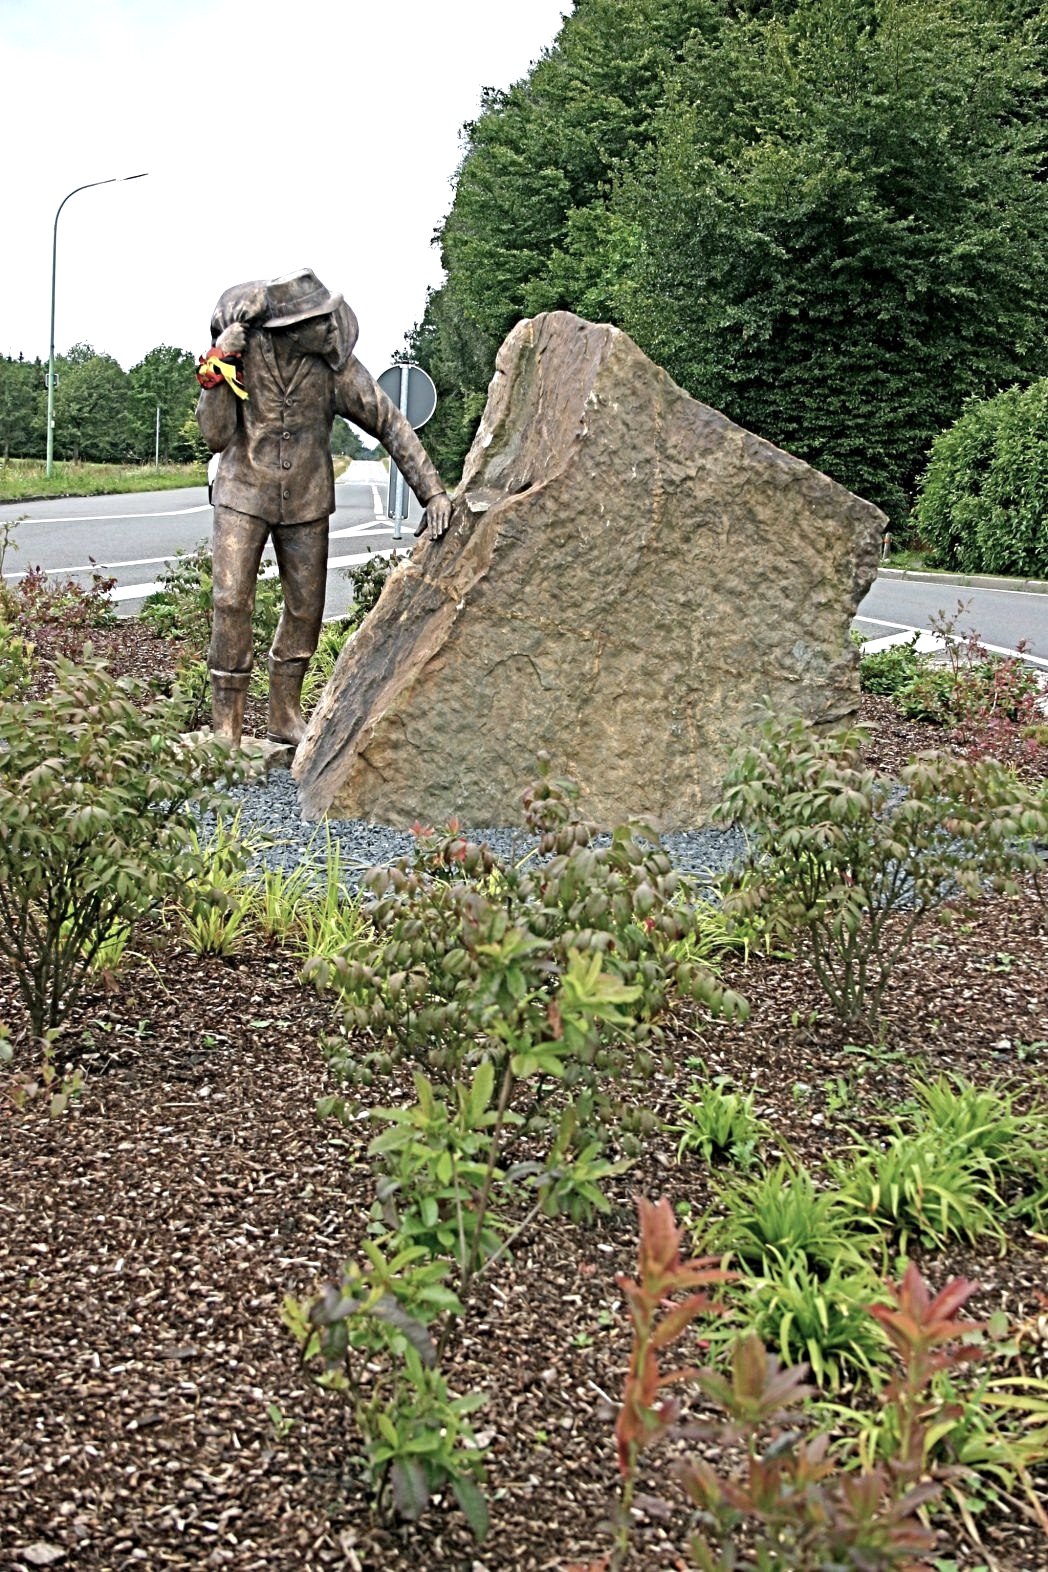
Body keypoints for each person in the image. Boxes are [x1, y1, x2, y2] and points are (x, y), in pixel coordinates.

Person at [195, 268, 453, 747]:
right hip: (242, 493)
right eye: (319, 320)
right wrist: (220, 365)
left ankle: (284, 713)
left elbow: (389, 423)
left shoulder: (337, 369)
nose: (331, 325)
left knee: (306, 608)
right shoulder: (242, 354)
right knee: (230, 601)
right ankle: (226, 725)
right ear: (291, 329)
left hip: (307, 498)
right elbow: (214, 436)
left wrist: (433, 493)